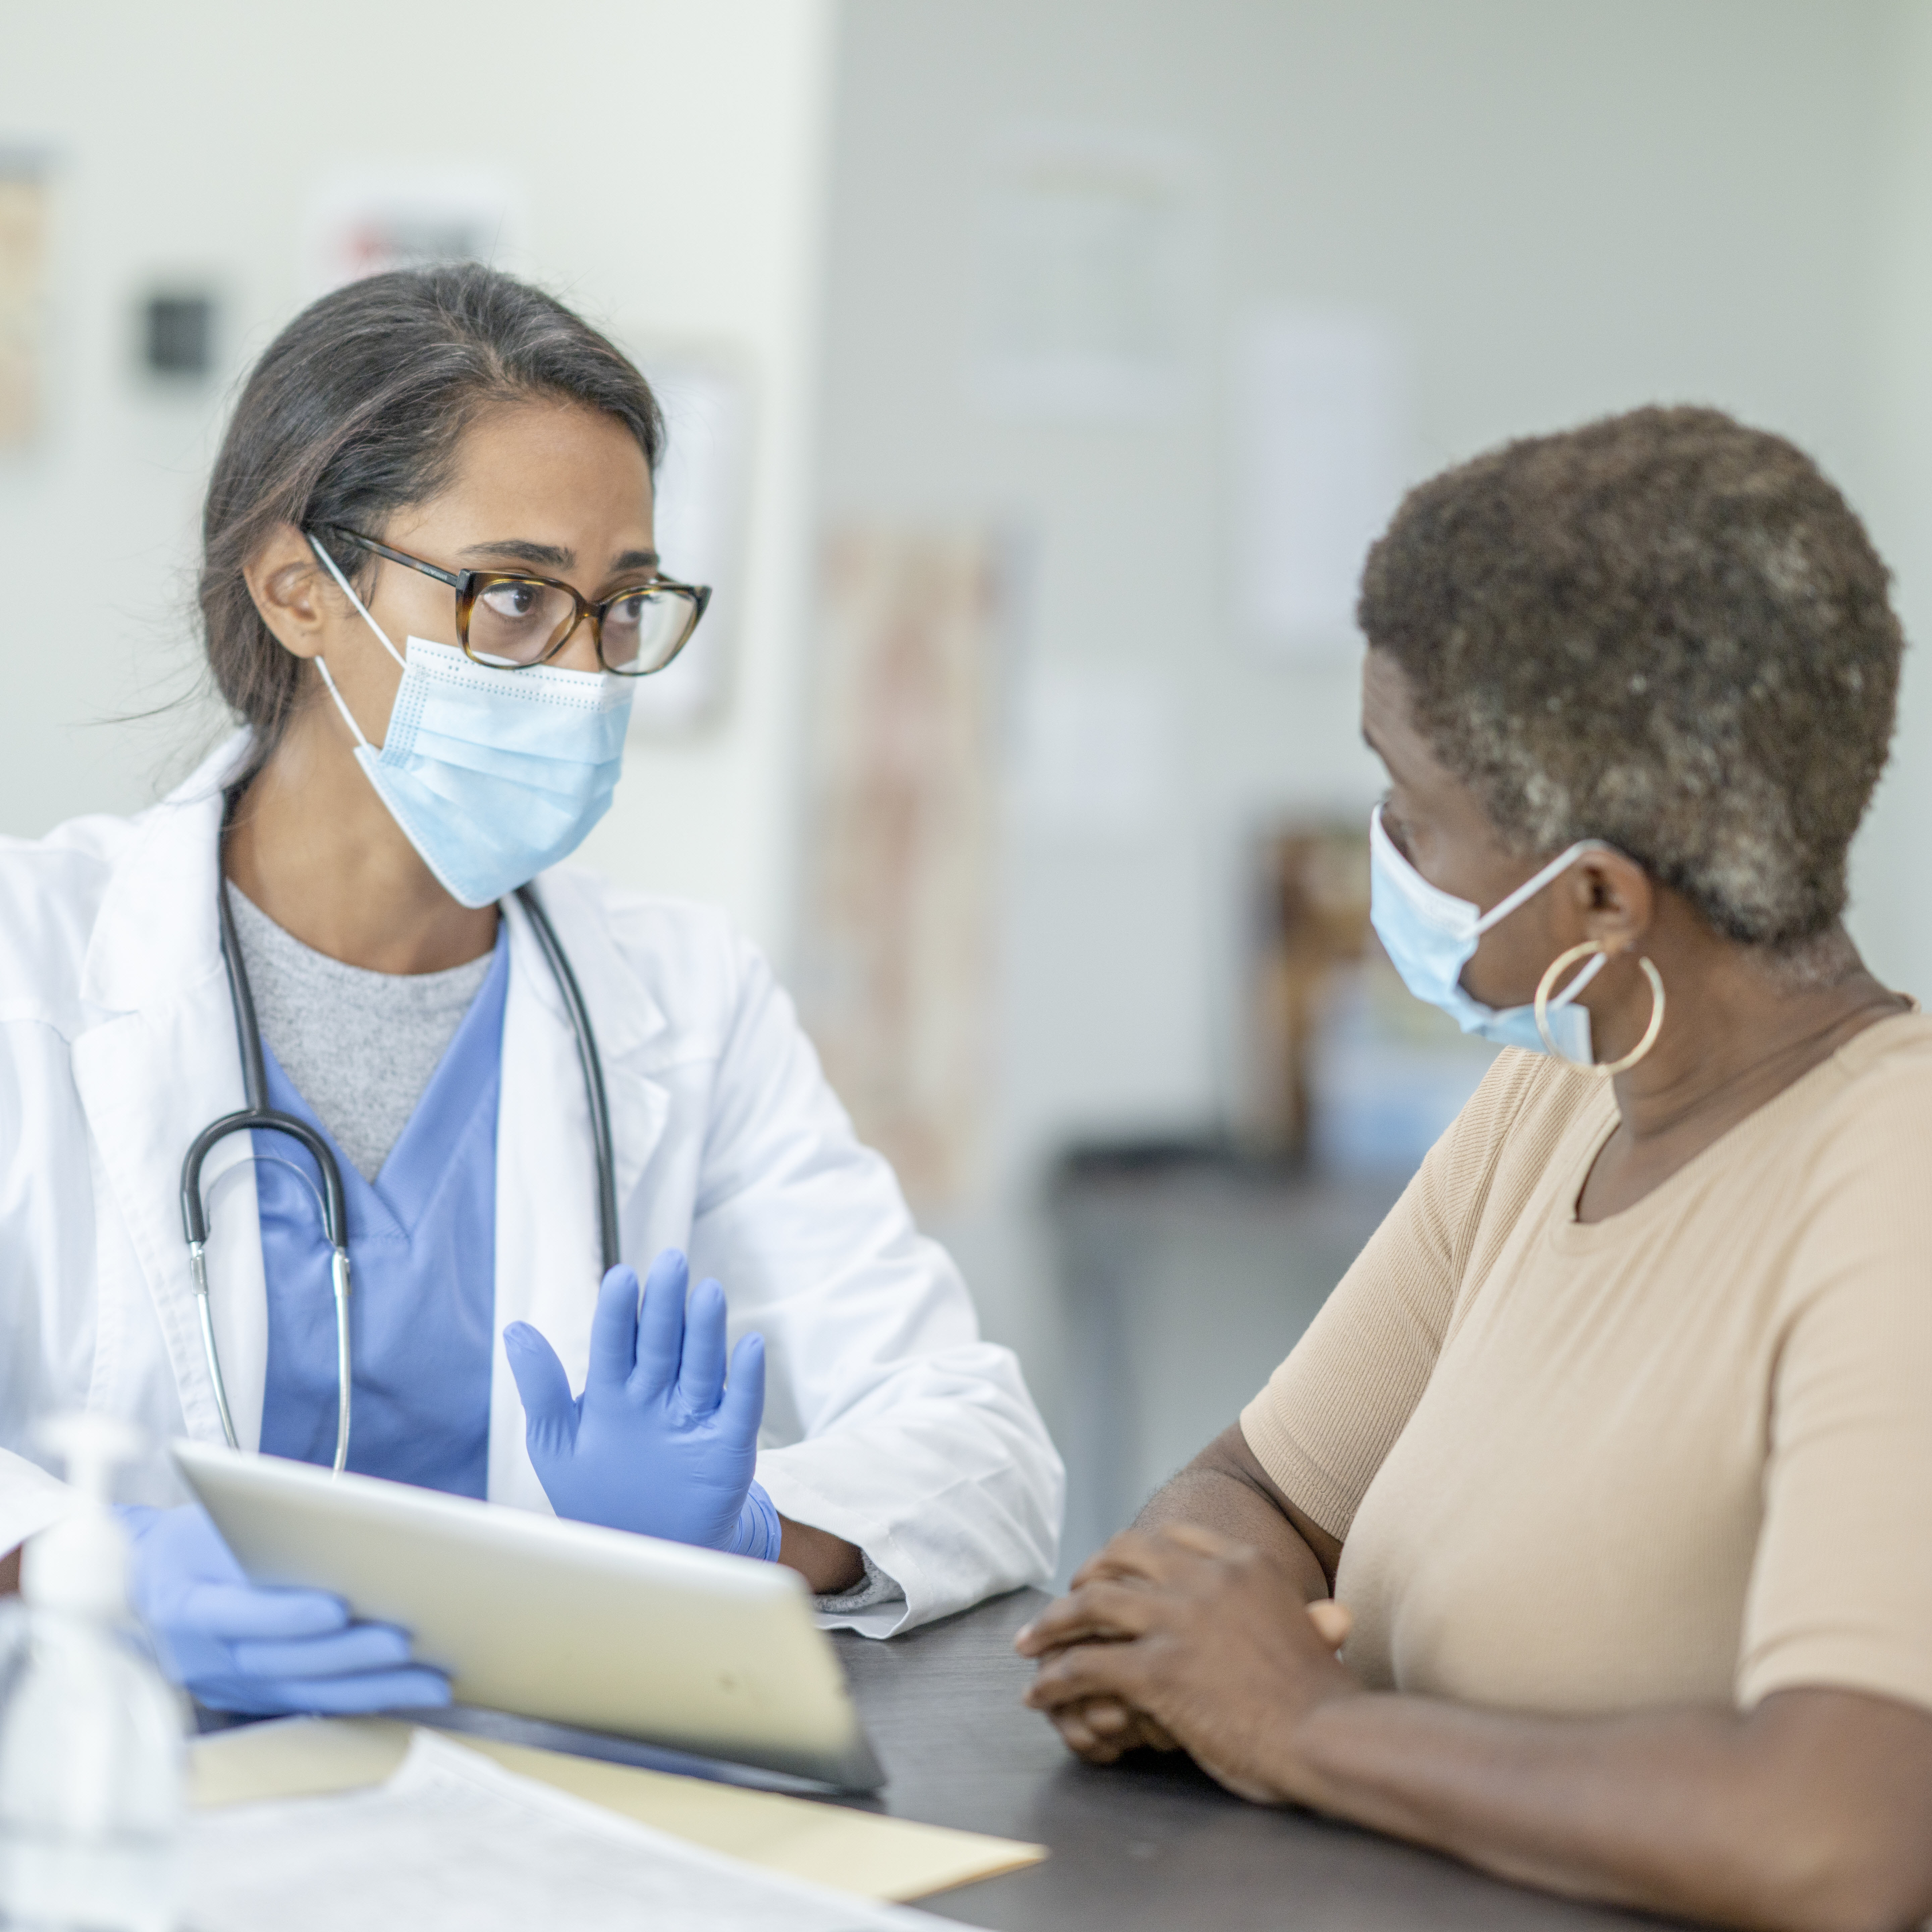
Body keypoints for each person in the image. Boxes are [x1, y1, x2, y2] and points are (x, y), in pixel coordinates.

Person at [0, 263, 1061, 1714]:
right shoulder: (34, 956)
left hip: (523, 1805)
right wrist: (87, 1560)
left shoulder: (686, 1000)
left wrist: (742, 1536)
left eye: (620, 609)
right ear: (303, 589)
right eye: (511, 599)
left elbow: (985, 1448)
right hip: (106, 1797)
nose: (578, 670)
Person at [1017, 408, 1932, 1931]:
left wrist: (1297, 1725)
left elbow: (1839, 1838)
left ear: (1596, 899)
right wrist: (1177, 1647)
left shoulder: (1895, 1188)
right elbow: (1259, 1489)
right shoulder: (1551, 1103)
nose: (1380, 849)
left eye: (1410, 812)